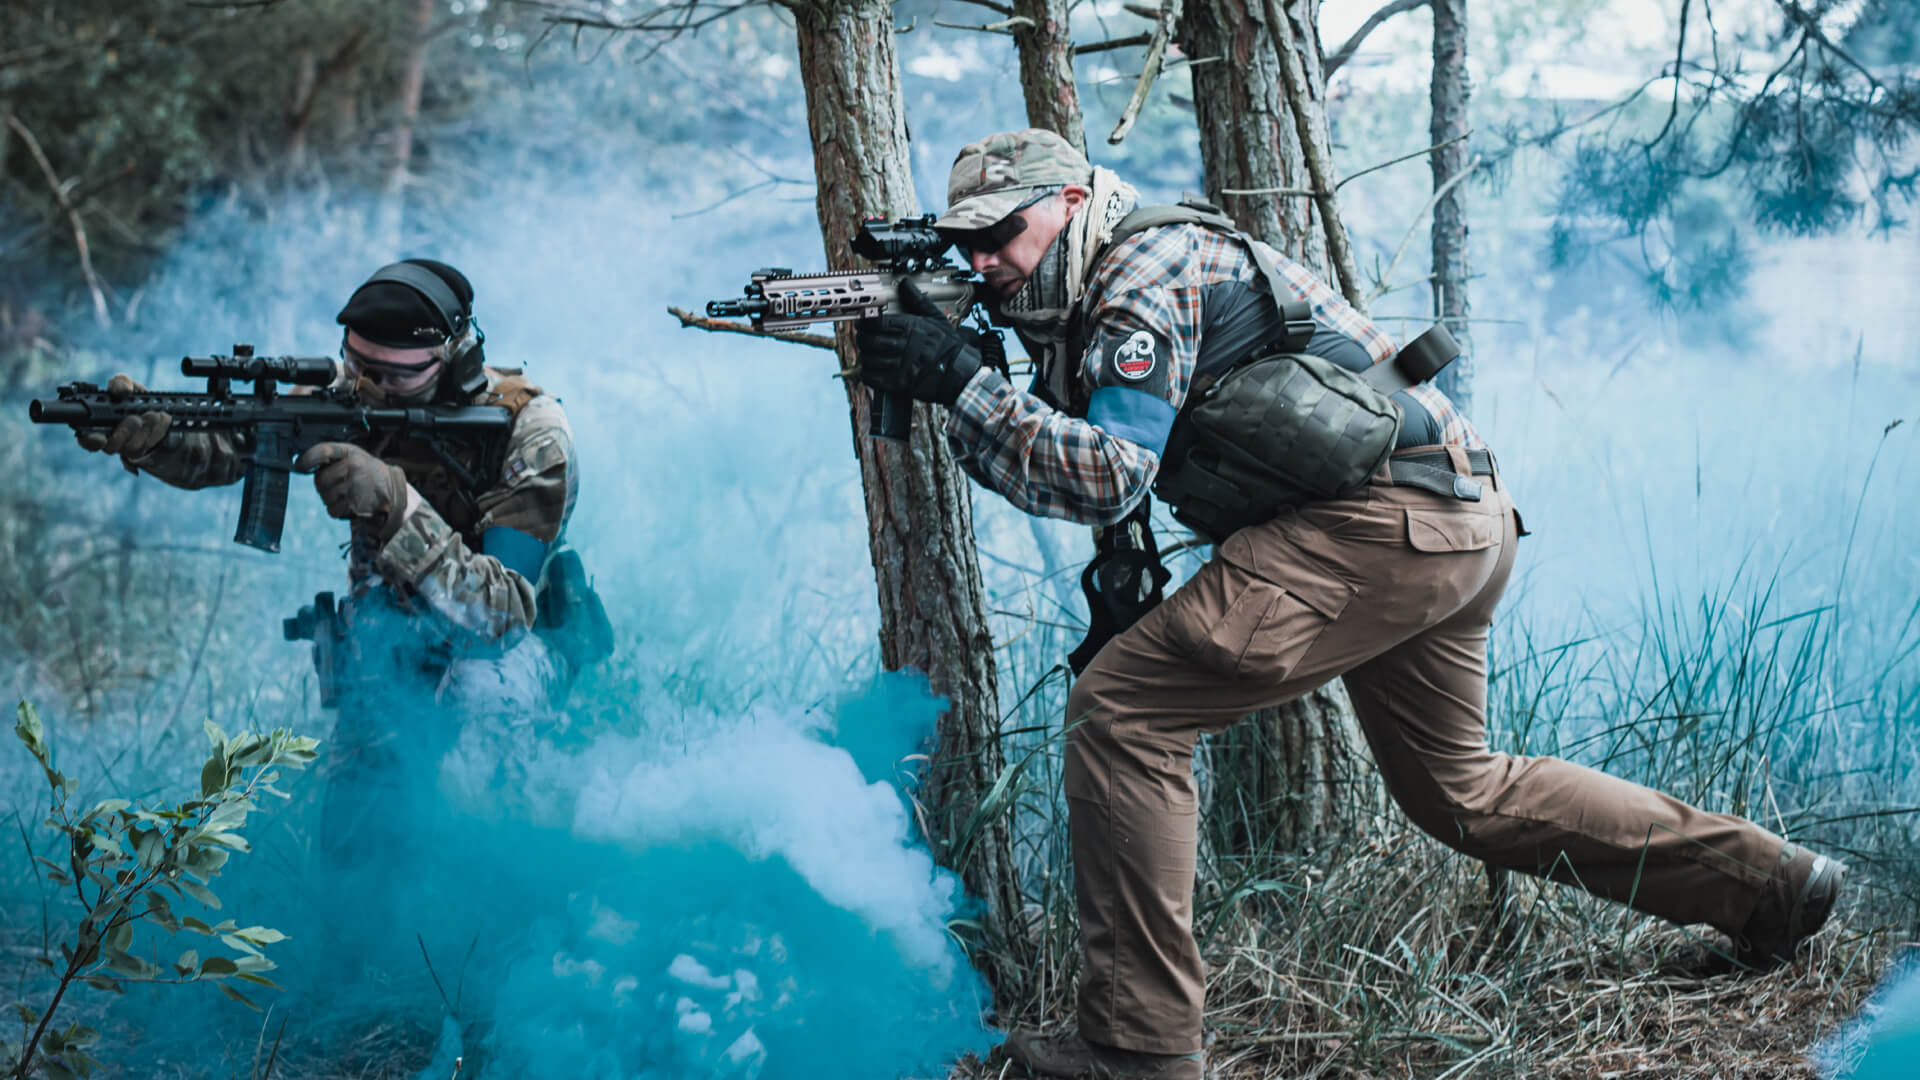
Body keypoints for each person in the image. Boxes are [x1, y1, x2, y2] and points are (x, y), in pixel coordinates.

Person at [853, 129, 1846, 1080]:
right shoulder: (1088, 283)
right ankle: (1770, 887)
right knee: (1461, 792)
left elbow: (1110, 476)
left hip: (1381, 528)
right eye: (966, 245)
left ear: (1071, 204)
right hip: (1458, 518)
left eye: (1001, 236)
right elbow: (1063, 471)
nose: (984, 261)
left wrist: (968, 388)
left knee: (1122, 713)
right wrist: (968, 388)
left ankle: (1137, 1047)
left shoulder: (1139, 274)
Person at [79, 258, 595, 854]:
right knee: (357, 834)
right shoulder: (341, 394)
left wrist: (398, 505)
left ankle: (501, 875)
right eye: (358, 365)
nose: (369, 387)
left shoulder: (531, 435)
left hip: (509, 654)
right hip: (394, 641)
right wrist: (158, 439)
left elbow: (501, 617)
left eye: (395, 377)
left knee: (482, 708)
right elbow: (228, 445)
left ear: (458, 360)